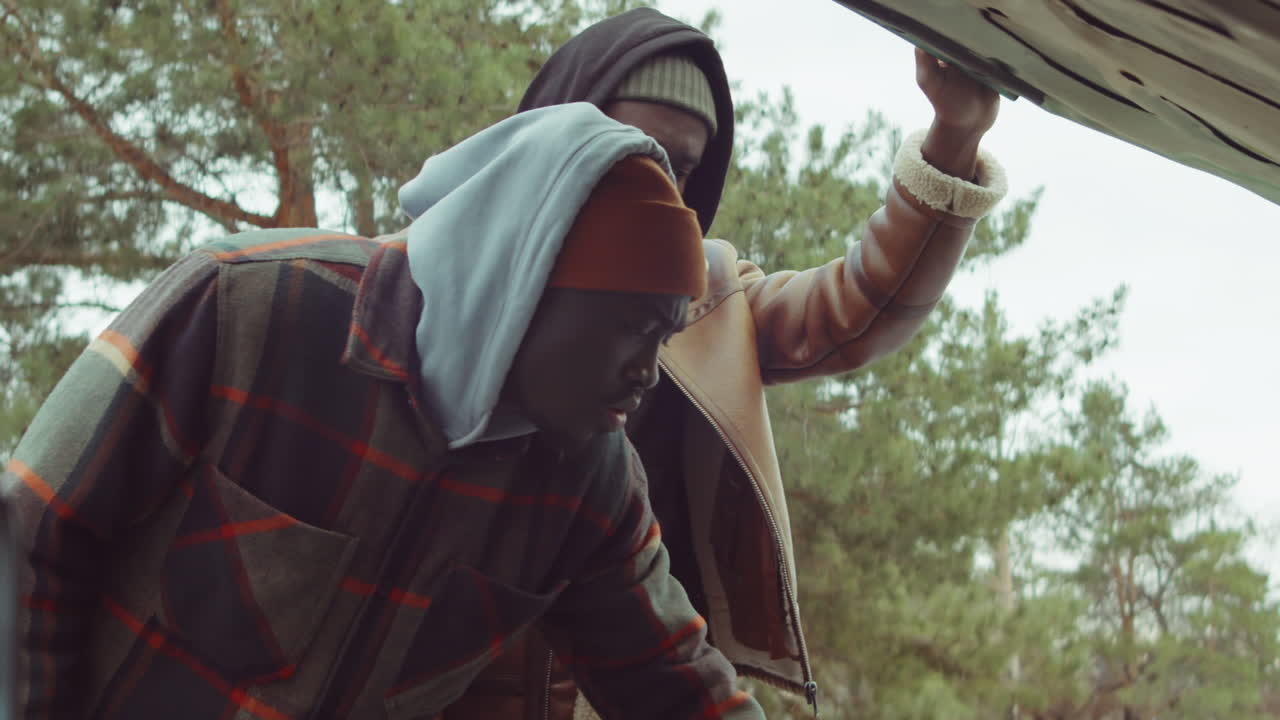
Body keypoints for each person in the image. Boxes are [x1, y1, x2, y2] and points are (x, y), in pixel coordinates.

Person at [2, 104, 766, 719]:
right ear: (526, 285)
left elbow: (675, 686)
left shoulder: (591, 482)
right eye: (632, 326)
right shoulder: (246, 307)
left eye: (665, 337)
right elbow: (33, 533)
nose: (648, 375)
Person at [443, 7, 1010, 719]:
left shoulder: (708, 298)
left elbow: (857, 308)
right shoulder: (431, 289)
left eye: (683, 167)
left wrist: (954, 138)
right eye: (635, 150)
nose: (662, 188)